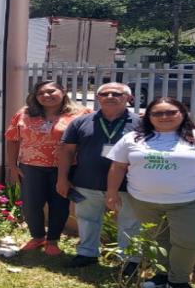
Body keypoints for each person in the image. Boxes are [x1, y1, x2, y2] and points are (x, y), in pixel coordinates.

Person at [106, 97, 195, 288]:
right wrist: (112, 192)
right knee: (157, 240)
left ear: (182, 113)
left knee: (187, 242)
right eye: (157, 113)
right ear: (148, 116)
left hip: (188, 201)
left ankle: (179, 280)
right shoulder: (132, 138)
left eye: (171, 112)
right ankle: (161, 276)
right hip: (143, 201)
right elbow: (118, 166)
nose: (164, 116)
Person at [58, 82, 141, 273]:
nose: (110, 97)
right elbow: (67, 151)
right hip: (87, 182)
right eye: (105, 94)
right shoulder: (81, 122)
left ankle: (130, 261)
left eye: (116, 94)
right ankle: (87, 254)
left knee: (129, 222)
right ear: (98, 98)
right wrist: (62, 178)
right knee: (87, 219)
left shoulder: (142, 124)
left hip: (127, 185)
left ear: (129, 98)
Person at [5, 80, 89, 256]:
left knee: (59, 204)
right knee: (31, 205)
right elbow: (12, 139)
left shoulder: (81, 114)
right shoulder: (24, 113)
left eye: (51, 91)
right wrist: (12, 165)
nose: (46, 95)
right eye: (40, 93)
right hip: (30, 167)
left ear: (63, 91)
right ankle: (37, 237)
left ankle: (52, 241)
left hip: (65, 168)